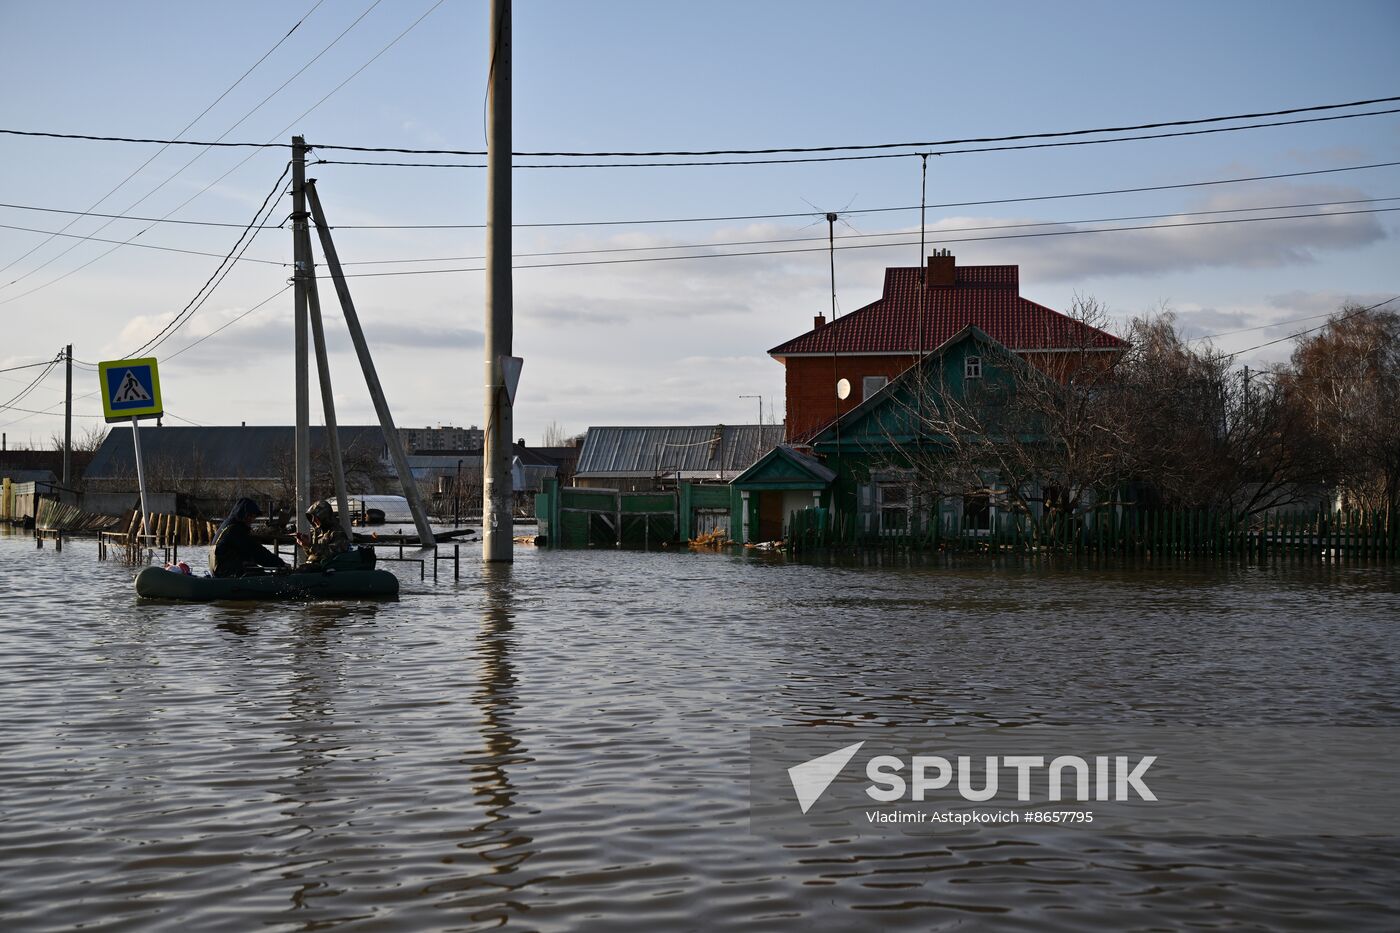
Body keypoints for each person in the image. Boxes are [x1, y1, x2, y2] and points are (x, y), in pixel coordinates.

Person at [209, 497, 287, 578]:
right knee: (260, 573)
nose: (252, 519)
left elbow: (252, 549)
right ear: (242, 514)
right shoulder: (234, 529)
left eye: (254, 516)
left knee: (253, 566)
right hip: (225, 572)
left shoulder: (228, 524)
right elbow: (256, 551)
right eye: (250, 516)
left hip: (220, 570)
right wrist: (280, 564)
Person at [296, 499, 350, 567]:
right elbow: (311, 554)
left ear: (323, 517)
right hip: (317, 567)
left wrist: (310, 545)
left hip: (331, 570)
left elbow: (330, 553)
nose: (313, 520)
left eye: (315, 518)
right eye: (312, 518)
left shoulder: (337, 532)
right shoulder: (317, 532)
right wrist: (305, 545)